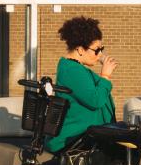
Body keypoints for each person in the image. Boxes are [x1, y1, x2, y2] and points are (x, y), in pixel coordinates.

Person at [45, 16, 117, 154]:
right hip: (75, 139)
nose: (100, 54)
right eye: (96, 50)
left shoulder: (79, 69)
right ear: (80, 50)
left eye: (101, 49)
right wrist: (105, 76)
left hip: (87, 137)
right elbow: (95, 100)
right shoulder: (71, 70)